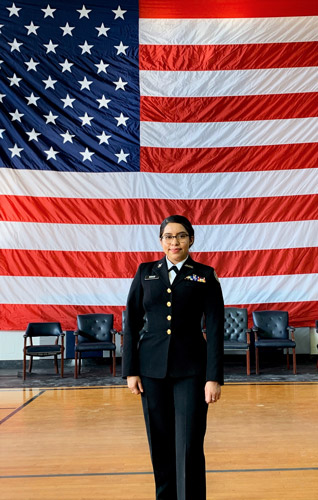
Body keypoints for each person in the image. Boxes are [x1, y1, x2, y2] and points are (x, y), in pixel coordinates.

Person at [122, 215, 224, 500]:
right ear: (160, 241)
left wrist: (213, 377)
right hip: (151, 370)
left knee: (190, 442)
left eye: (180, 235)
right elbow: (130, 322)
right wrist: (130, 370)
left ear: (191, 239)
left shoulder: (204, 274)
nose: (174, 241)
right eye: (168, 236)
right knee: (160, 441)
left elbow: (215, 329)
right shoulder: (145, 272)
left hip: (192, 370)